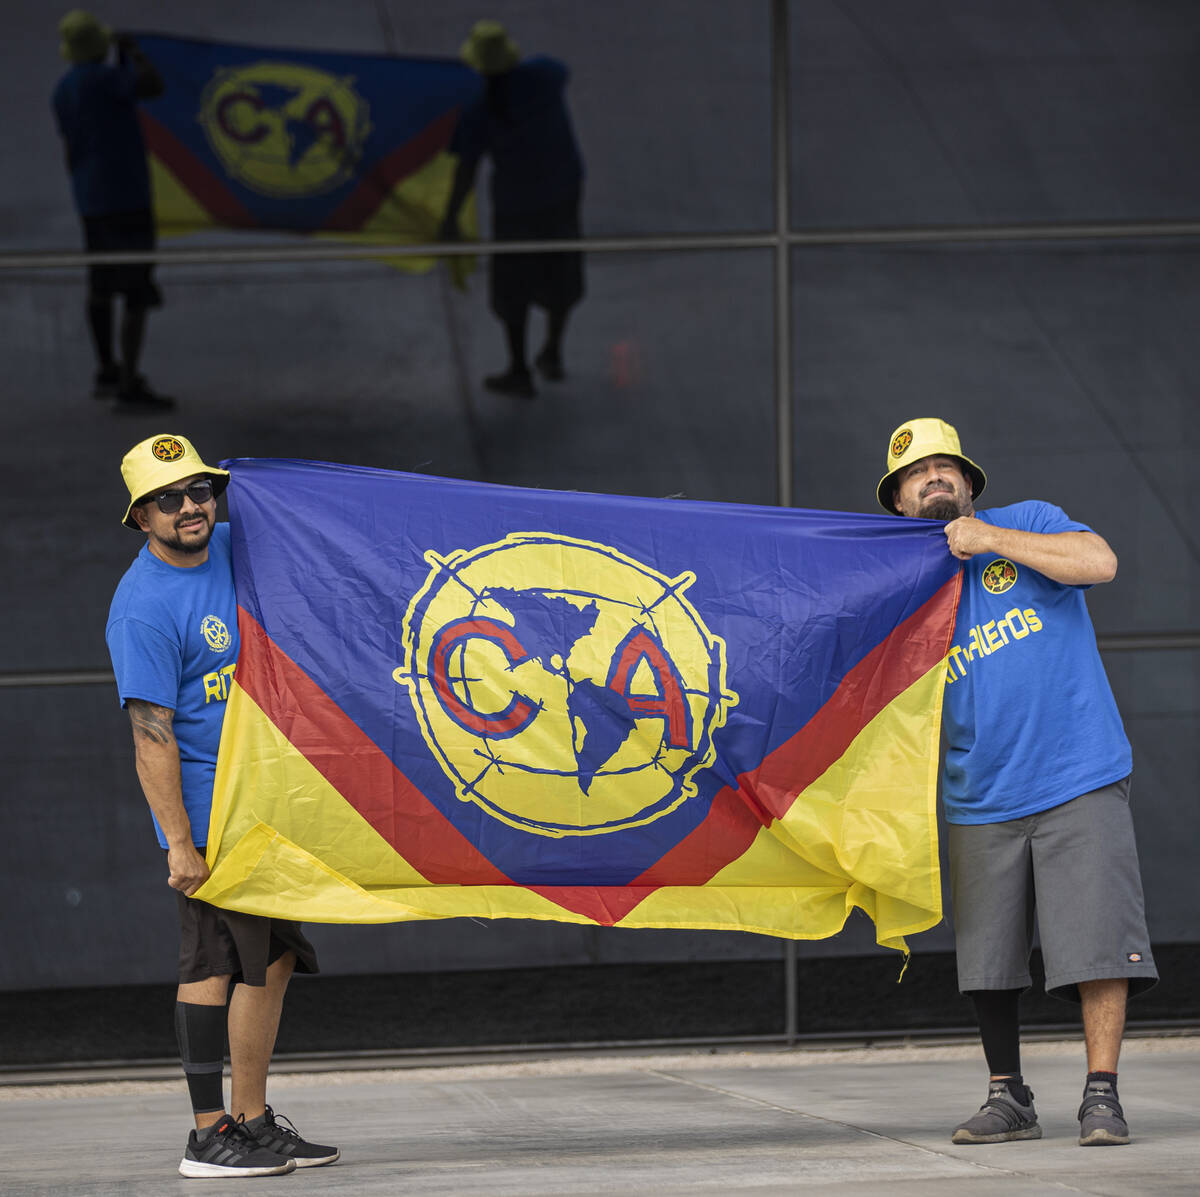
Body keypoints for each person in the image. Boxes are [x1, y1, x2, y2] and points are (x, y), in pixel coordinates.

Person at [877, 417, 1157, 1148]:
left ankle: (1103, 1093)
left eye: (946, 467)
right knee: (989, 959)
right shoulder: (899, 586)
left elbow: (1100, 562)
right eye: (917, 473)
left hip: (1076, 774)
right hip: (979, 794)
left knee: (1098, 941)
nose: (934, 478)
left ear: (969, 484)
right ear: (900, 503)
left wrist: (990, 540)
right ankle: (1009, 1096)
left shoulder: (1025, 522)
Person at [107, 433, 339, 1177]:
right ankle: (206, 1134)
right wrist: (179, 840)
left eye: (201, 490)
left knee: (268, 961)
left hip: (268, 800)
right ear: (141, 516)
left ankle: (252, 1117)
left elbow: (323, 533)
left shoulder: (241, 545)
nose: (189, 507)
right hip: (211, 813)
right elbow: (151, 735)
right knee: (211, 960)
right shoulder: (142, 607)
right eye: (168, 499)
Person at [440, 20, 585, 399]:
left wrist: (449, 218)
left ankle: (519, 370)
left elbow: (465, 171)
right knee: (561, 272)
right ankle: (552, 353)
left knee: (512, 287)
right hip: (563, 192)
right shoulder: (544, 76)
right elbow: (559, 68)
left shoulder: (478, 111)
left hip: (516, 206)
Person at [52, 10, 172, 407]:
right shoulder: (107, 79)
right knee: (137, 289)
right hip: (127, 198)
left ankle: (106, 368)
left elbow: (70, 148)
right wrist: (135, 53)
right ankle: (129, 382)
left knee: (101, 285)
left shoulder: (63, 90)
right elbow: (154, 85)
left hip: (91, 199)